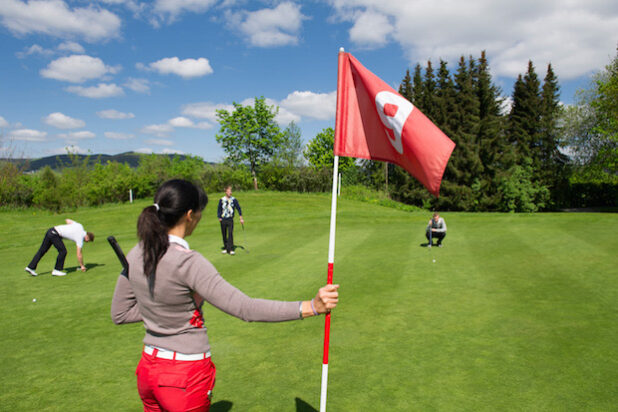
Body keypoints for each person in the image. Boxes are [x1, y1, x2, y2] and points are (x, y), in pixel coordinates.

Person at [111, 179, 339, 412]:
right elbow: (245, 308)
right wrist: (311, 306)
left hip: (148, 371)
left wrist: (163, 308)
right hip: (184, 375)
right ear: (190, 214)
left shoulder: (136, 252)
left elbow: (120, 313)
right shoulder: (189, 262)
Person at [25, 219, 94, 277]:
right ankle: (56, 270)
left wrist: (69, 230)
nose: (86, 242)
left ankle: (30, 267)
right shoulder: (80, 237)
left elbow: (67, 220)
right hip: (55, 235)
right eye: (88, 241)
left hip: (50, 231)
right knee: (63, 251)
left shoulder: (80, 226)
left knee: (42, 251)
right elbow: (79, 254)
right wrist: (82, 266)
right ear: (87, 237)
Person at [217, 185, 244, 255]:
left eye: (231, 191)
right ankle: (226, 248)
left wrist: (241, 217)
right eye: (229, 191)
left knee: (230, 233)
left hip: (230, 219)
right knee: (224, 234)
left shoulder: (234, 200)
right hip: (223, 219)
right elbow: (219, 209)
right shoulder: (222, 200)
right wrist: (219, 217)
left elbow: (238, 208)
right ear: (226, 192)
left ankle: (231, 249)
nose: (230, 192)